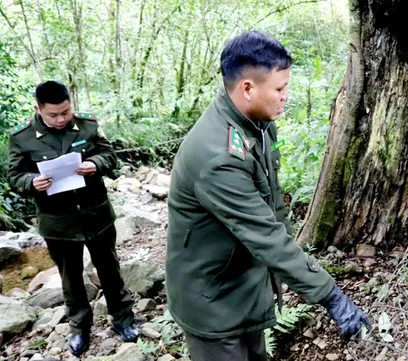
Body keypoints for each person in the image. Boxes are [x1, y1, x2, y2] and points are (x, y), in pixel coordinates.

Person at [166, 30, 370, 361]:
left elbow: (273, 205)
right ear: (248, 88)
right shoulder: (218, 155)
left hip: (244, 284)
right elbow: (265, 236)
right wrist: (331, 296)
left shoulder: (257, 126)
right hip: (213, 301)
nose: (286, 96)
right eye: (279, 88)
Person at [7, 81, 139, 356]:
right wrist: (32, 181)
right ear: (38, 109)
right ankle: (80, 328)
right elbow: (14, 176)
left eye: (65, 112)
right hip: (58, 222)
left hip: (95, 213)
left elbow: (109, 155)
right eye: (53, 115)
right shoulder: (22, 137)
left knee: (110, 270)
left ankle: (124, 319)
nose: (61, 119)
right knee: (71, 278)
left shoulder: (87, 125)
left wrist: (95, 164)